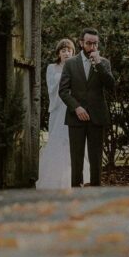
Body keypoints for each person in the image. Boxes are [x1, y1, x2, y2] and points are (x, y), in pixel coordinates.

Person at [59, 28, 115, 188]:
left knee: (96, 158)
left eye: (95, 43)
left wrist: (99, 64)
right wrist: (76, 107)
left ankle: (96, 193)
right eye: (89, 43)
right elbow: (63, 91)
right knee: (76, 159)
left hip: (97, 117)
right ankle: (76, 192)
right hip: (76, 117)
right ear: (81, 43)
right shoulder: (70, 63)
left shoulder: (104, 63)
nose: (93, 47)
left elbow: (111, 85)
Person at [36, 39, 89, 189]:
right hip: (58, 110)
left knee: (74, 142)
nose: (67, 53)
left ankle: (75, 178)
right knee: (57, 141)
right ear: (58, 53)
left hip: (72, 109)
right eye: (63, 50)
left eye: (69, 50)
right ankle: (53, 180)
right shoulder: (52, 68)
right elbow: (52, 88)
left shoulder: (76, 67)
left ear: (73, 52)